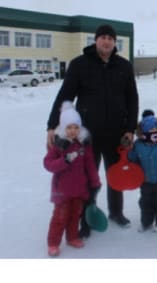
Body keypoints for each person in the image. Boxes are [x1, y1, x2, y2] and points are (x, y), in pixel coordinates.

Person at [46, 24, 139, 238]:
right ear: (95, 40)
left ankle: (116, 212)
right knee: (88, 178)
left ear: (114, 42)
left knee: (115, 176)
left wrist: (130, 129)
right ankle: (86, 217)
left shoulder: (124, 66)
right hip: (88, 135)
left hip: (116, 133)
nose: (106, 41)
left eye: (110, 38)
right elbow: (65, 96)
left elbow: (132, 99)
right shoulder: (80, 65)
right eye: (103, 37)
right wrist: (52, 126)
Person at [44, 101, 101, 257]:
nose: (73, 131)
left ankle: (72, 237)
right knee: (60, 217)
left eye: (76, 127)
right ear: (63, 128)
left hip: (79, 188)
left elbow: (90, 165)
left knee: (75, 215)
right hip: (62, 190)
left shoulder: (83, 144)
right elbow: (48, 164)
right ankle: (53, 243)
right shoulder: (58, 145)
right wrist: (65, 161)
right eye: (69, 127)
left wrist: (95, 181)